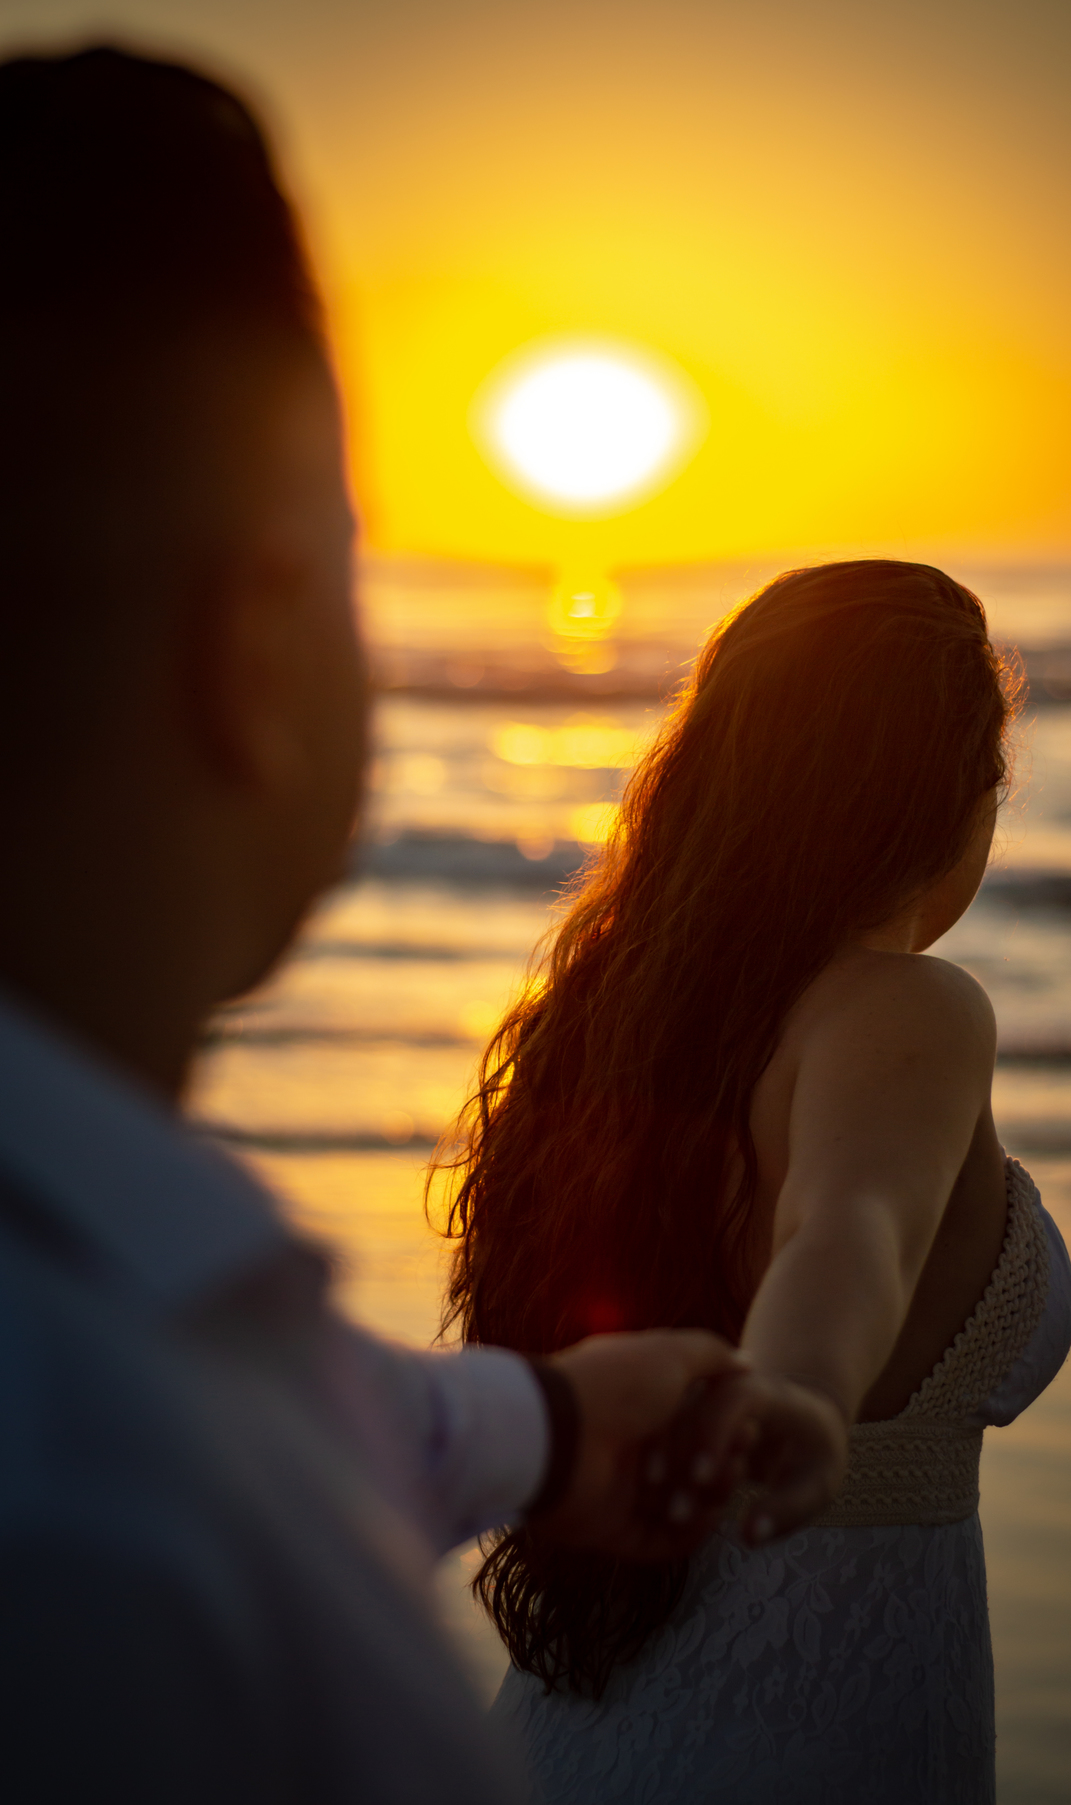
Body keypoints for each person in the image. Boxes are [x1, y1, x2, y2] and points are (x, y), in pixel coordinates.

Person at [0, 46, 830, 1805]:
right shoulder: (146, 1538)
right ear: (260, 646)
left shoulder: (152, 1347)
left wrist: (554, 1423)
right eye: (358, 558)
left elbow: (320, 1400)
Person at [440, 560, 1071, 1802]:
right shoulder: (908, 1006)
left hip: (579, 1722)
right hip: (806, 1739)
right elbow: (852, 1226)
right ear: (953, 795)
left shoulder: (623, 1024)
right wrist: (797, 1389)